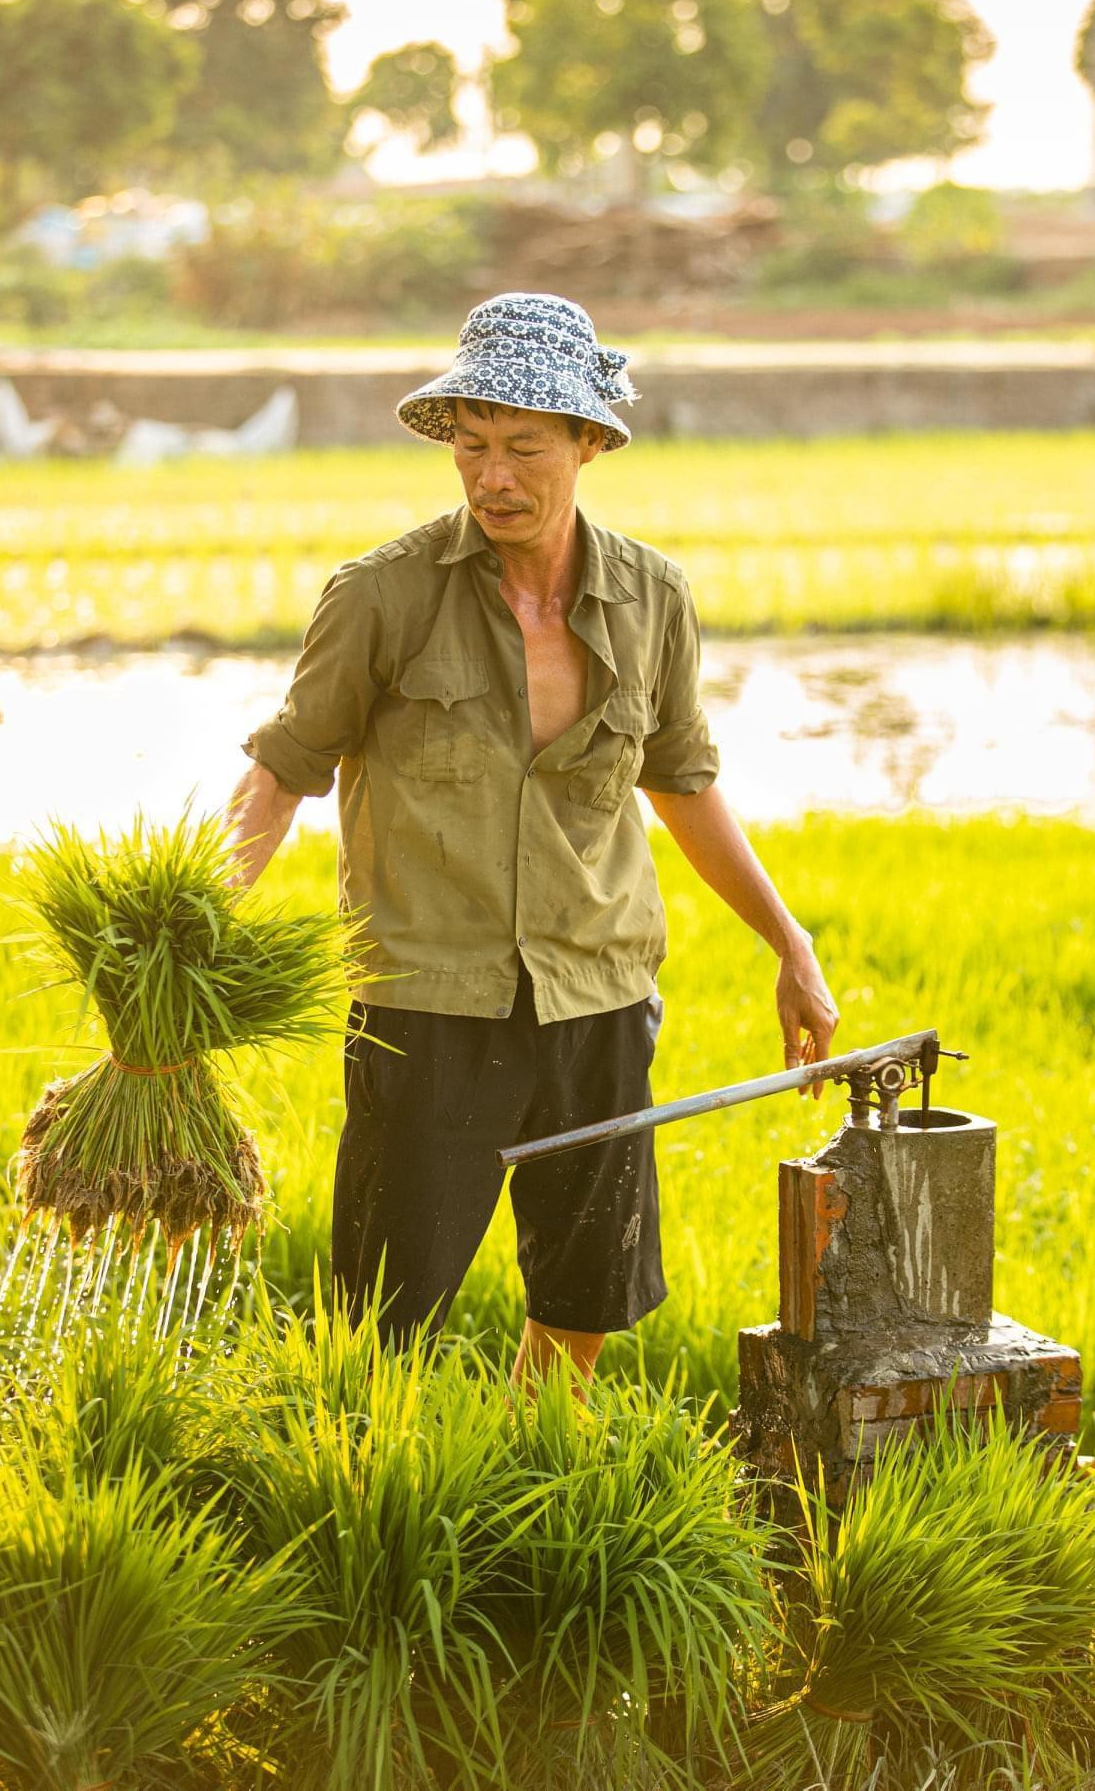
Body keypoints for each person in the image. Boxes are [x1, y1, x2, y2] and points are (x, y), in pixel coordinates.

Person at [224, 292, 839, 1394]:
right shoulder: (383, 595)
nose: (492, 477)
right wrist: (198, 927)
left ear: (589, 442)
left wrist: (788, 944)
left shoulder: (652, 597)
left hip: (596, 994)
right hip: (427, 1006)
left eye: (523, 448)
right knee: (382, 1313)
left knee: (581, 1293)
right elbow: (282, 771)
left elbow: (683, 781)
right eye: (471, 447)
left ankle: (537, 1481)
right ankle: (373, 1503)